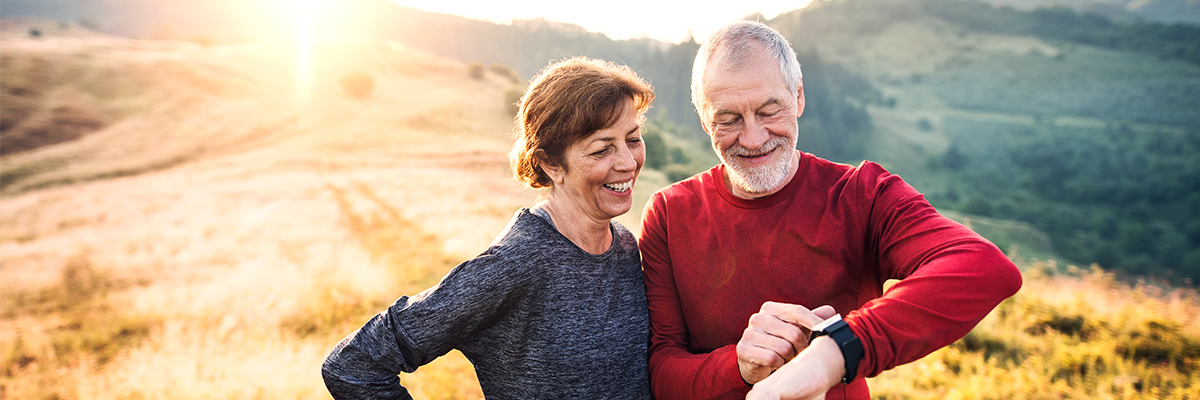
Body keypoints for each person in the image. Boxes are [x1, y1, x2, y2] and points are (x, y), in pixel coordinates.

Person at [638, 21, 1023, 400]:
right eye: (728, 119)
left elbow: (983, 267)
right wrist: (738, 366)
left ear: (799, 97)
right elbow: (663, 373)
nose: (753, 138)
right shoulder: (670, 214)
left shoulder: (862, 195)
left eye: (770, 111)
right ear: (705, 119)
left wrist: (835, 350)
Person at [322, 57, 655, 400]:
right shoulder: (515, 263)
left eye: (632, 140)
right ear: (550, 163)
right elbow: (354, 365)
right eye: (602, 150)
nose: (628, 163)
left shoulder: (625, 246)